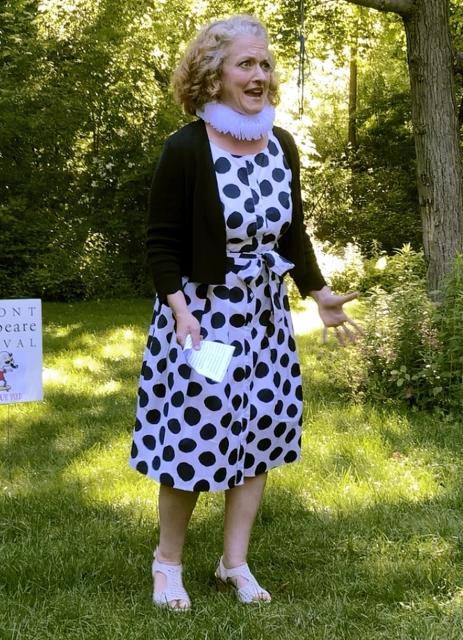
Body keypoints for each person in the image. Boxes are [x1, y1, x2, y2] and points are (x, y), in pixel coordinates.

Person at [129, 15, 361, 610]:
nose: (259, 76)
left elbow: (294, 234)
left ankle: (234, 563)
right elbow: (159, 241)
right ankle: (167, 564)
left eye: (265, 64)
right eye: (246, 64)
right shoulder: (186, 148)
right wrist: (179, 310)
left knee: (259, 435)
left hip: (265, 320)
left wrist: (318, 293)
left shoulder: (280, 144)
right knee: (192, 442)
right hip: (201, 318)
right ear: (214, 74)